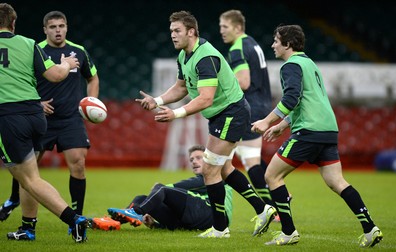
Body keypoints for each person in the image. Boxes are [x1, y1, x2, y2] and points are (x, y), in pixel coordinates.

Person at [135, 11, 276, 238]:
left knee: (210, 170)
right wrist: (157, 100)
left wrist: (176, 113)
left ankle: (220, 228)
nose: (172, 35)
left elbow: (205, 98)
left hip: (232, 113)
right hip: (222, 115)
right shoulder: (184, 55)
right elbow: (181, 87)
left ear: (191, 32)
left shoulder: (205, 57)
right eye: (171, 31)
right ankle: (263, 209)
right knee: (225, 169)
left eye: (177, 30)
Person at [251, 24, 383, 247]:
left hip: (309, 131)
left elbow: (292, 98)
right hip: (328, 130)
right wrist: (283, 125)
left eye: (276, 40)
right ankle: (371, 228)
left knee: (271, 176)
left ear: (288, 44)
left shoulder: (290, 66)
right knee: (336, 181)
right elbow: (309, 100)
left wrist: (266, 121)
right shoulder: (309, 63)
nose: (273, 44)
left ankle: (288, 231)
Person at [0, 3, 88, 242]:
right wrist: (67, 64)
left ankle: (75, 220)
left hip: (9, 116)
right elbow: (56, 75)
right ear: (13, 23)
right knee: (30, 177)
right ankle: (28, 228)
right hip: (36, 117)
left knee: (29, 179)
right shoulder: (29, 44)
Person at [219, 10, 276, 209]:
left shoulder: (237, 48)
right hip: (262, 104)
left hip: (250, 108)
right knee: (252, 157)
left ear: (238, 27)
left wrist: (220, 82)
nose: (221, 31)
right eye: (220, 27)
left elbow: (243, 82)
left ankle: (271, 207)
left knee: (249, 161)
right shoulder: (251, 42)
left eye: (225, 27)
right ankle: (278, 194)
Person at [105, 145, 233, 231]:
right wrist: (155, 225)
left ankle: (136, 212)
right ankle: (112, 223)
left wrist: (159, 188)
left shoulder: (215, 176)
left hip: (216, 216)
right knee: (141, 198)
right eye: (191, 159)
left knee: (162, 190)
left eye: (199, 158)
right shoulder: (202, 184)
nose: (194, 161)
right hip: (197, 220)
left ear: (209, 160)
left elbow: (178, 187)